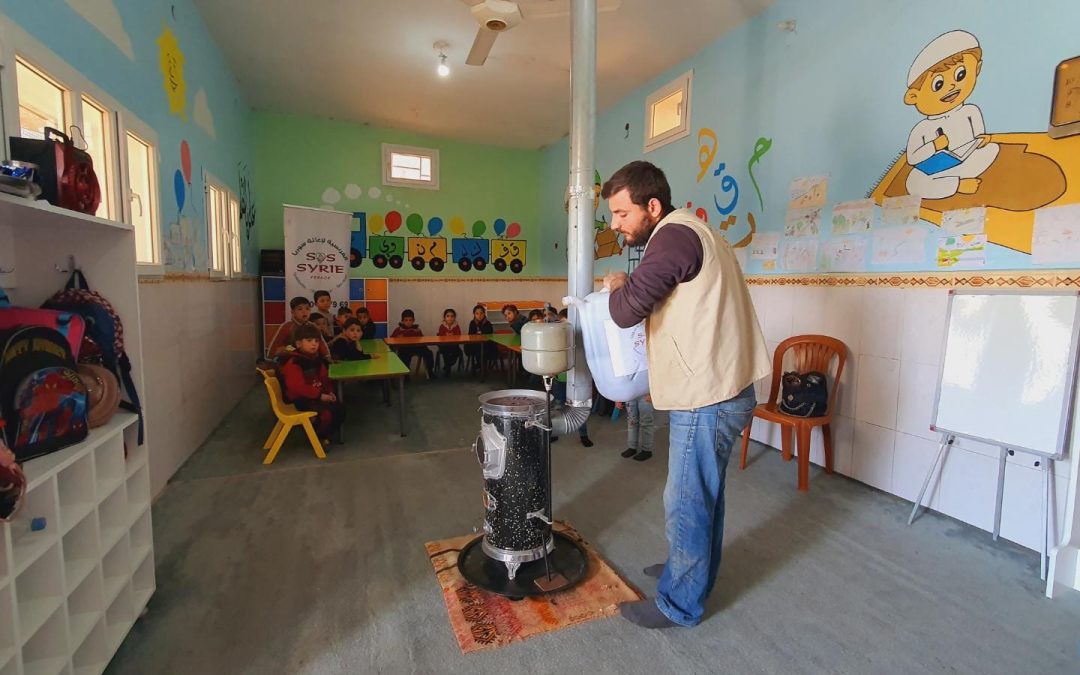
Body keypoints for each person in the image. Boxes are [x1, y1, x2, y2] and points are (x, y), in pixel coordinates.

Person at [602, 160, 770, 629]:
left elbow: (627, 310)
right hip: (720, 385)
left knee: (687, 500)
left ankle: (678, 603)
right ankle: (688, 571)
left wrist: (618, 286)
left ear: (651, 206)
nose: (616, 225)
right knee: (702, 494)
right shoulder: (692, 231)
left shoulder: (673, 237)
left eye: (621, 213)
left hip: (708, 394)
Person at [903, 30, 998, 200]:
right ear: (913, 97)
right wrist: (935, 146)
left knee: (992, 150)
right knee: (914, 182)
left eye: (960, 74)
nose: (952, 86)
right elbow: (913, 158)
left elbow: (978, 138)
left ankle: (955, 179)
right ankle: (957, 185)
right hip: (937, 168)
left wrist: (983, 141)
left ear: (977, 69)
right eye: (938, 84)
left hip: (967, 160)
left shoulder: (971, 111)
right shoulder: (922, 128)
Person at [279, 324, 343, 445]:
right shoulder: (294, 362)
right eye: (309, 341)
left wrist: (329, 392)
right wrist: (320, 396)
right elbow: (297, 387)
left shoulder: (316, 359)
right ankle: (319, 437)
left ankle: (322, 433)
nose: (314, 344)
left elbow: (325, 378)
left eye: (316, 341)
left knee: (339, 408)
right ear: (298, 344)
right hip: (299, 399)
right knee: (326, 414)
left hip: (316, 395)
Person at [391, 309, 435, 378]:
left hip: (416, 347)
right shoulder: (399, 330)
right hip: (405, 348)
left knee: (429, 353)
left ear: (413, 320)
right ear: (402, 321)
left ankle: (430, 371)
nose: (408, 322)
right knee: (403, 355)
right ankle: (406, 375)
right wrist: (398, 338)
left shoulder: (417, 330)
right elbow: (392, 340)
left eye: (410, 320)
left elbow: (422, 339)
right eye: (406, 320)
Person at [620, 394, 655, 461]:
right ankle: (632, 447)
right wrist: (618, 398)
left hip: (645, 394)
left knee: (646, 422)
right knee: (632, 421)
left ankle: (647, 450)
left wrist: (651, 393)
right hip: (630, 394)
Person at [466, 304, 495, 373]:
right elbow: (470, 334)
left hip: (486, 345)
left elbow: (489, 334)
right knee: (475, 348)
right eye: (477, 313)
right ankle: (480, 365)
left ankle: (480, 365)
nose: (479, 315)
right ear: (474, 314)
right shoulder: (472, 323)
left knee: (485, 349)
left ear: (484, 314)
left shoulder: (488, 323)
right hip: (475, 344)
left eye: (481, 313)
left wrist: (480, 331)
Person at [436, 308, 463, 376]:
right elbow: (440, 337)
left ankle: (447, 365)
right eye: (448, 316)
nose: (450, 318)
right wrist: (446, 336)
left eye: (452, 316)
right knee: (446, 352)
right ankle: (448, 369)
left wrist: (453, 336)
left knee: (457, 351)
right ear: (444, 318)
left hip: (454, 345)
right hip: (444, 345)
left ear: (454, 318)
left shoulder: (456, 326)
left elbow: (459, 336)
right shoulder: (442, 326)